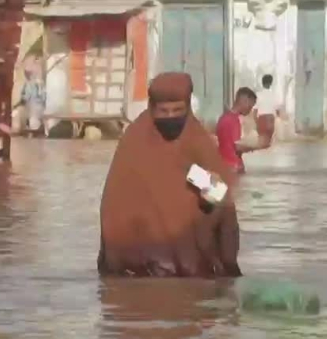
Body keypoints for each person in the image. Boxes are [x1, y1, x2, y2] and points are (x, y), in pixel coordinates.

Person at [98, 72, 242, 278]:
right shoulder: (134, 141)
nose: (170, 117)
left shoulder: (197, 140)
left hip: (189, 266)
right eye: (163, 111)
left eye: (177, 110)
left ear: (188, 107)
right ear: (152, 108)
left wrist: (198, 180)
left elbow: (220, 195)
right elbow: (114, 206)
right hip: (135, 267)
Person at [215, 87, 257, 174]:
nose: (250, 110)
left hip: (225, 166)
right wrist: (256, 145)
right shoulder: (234, 120)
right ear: (244, 101)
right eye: (250, 106)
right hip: (233, 167)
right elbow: (237, 147)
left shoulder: (223, 118)